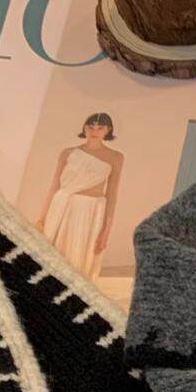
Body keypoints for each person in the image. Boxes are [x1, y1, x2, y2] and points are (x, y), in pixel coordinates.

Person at [36, 112, 123, 281]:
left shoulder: (116, 157)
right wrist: (42, 218)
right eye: (91, 127)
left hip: (91, 210)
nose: (94, 131)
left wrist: (106, 230)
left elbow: (112, 195)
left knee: (80, 259)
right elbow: (54, 186)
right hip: (62, 205)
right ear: (84, 128)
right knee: (53, 255)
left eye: (100, 128)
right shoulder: (68, 153)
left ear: (108, 130)